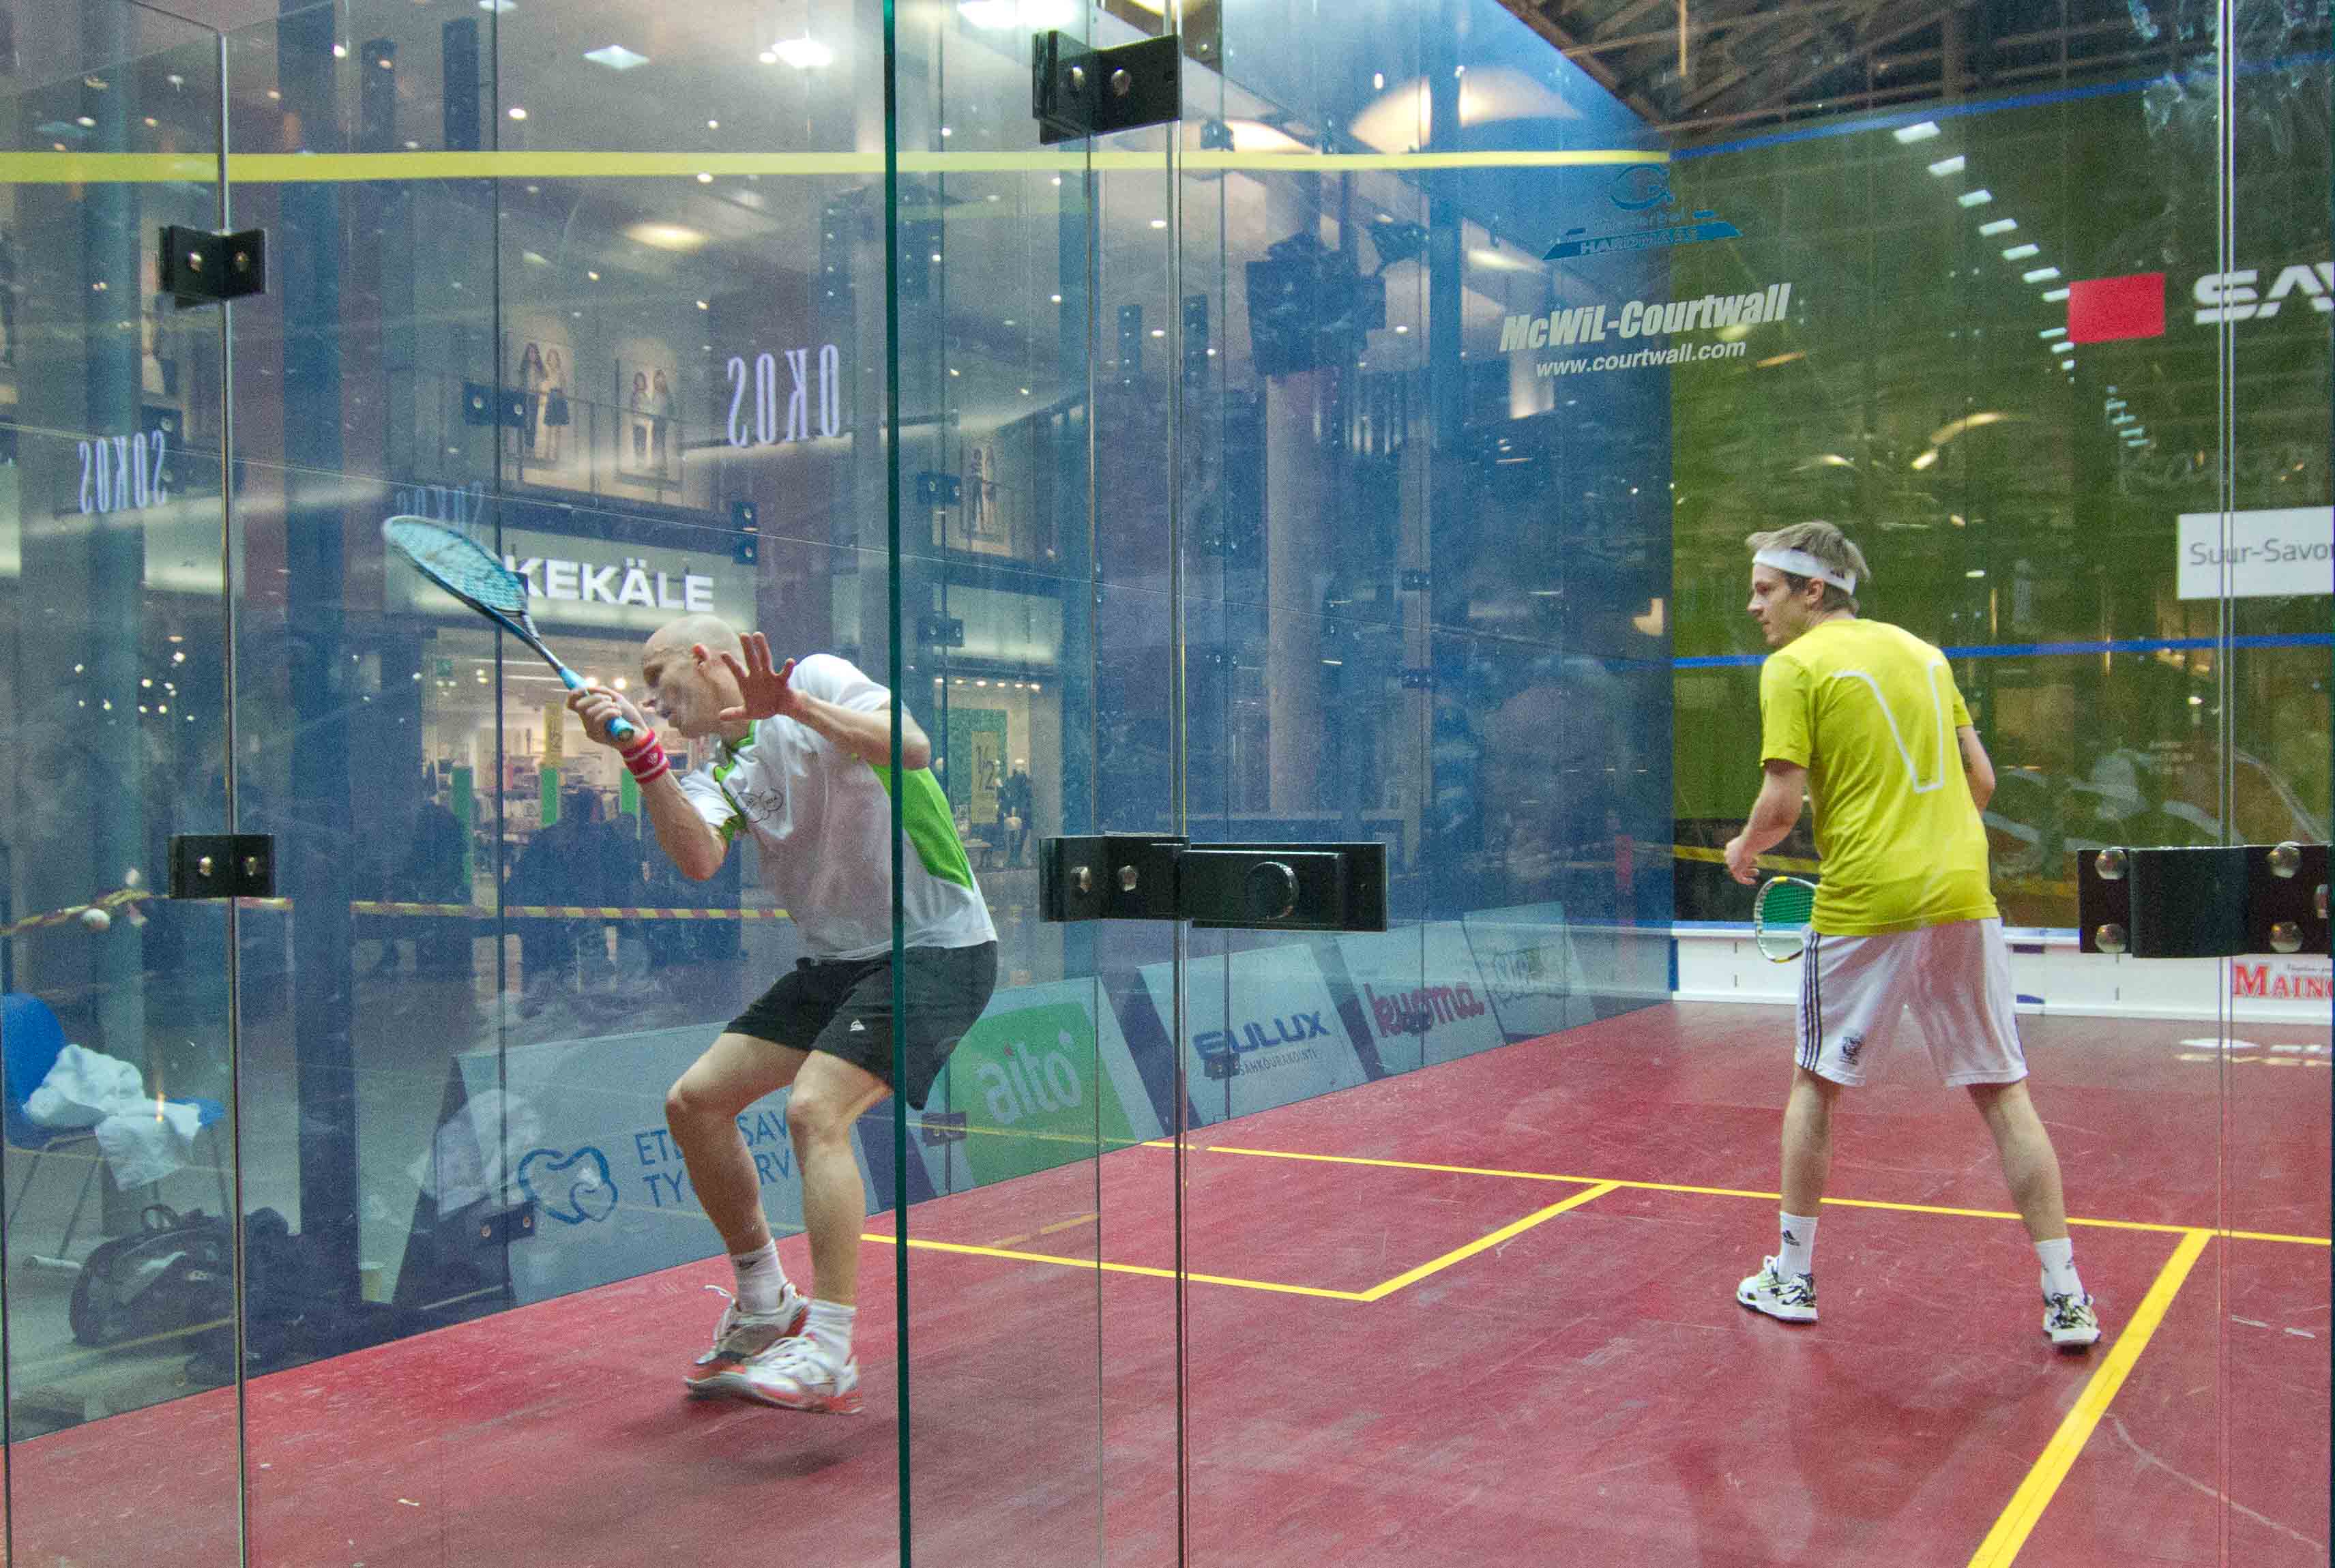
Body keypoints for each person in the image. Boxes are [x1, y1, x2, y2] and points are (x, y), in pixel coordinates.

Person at [568, 616, 997, 1412]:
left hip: (939, 948)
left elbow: (911, 747)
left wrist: (795, 707)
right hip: (838, 964)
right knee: (695, 1103)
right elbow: (699, 857)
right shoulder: (723, 769)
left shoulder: (820, 678)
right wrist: (642, 757)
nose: (655, 702)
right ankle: (765, 1300)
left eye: (659, 681)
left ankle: (829, 1349)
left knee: (815, 1109)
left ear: (705, 658)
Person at [1721, 520, 2101, 1350]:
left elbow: (1781, 806)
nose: (1754, 606)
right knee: (2004, 1090)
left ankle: (1791, 1277)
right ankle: (2068, 1294)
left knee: (1815, 1082)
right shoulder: (1928, 656)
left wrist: (1743, 848)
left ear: (1813, 589)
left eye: (1765, 589)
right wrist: (1930, 844)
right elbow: (1981, 780)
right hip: (1963, 888)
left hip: (1866, 898)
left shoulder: (1794, 667)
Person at [996, 759, 1033, 867]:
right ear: (1015, 767)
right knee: (1012, 834)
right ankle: (1013, 858)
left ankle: (1016, 856)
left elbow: (1029, 795)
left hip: (1025, 811)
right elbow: (1007, 796)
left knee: (1023, 834)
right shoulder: (1010, 780)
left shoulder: (1027, 780)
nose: (1020, 767)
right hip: (1014, 810)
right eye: (1018, 765)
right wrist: (1011, 807)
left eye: (1022, 765)